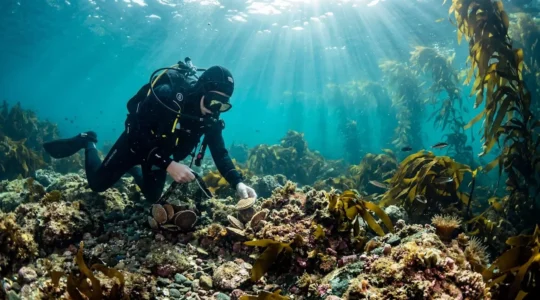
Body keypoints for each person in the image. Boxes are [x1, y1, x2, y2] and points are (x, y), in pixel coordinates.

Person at [43, 61, 257, 204]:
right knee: (98, 185)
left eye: (222, 106)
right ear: (202, 90)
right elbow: (136, 133)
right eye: (213, 101)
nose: (214, 110)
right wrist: (169, 165)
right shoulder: (167, 96)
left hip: (160, 156)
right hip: (135, 143)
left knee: (153, 199)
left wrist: (237, 182)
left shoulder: (209, 118)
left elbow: (220, 153)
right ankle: (88, 141)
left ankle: (132, 170)